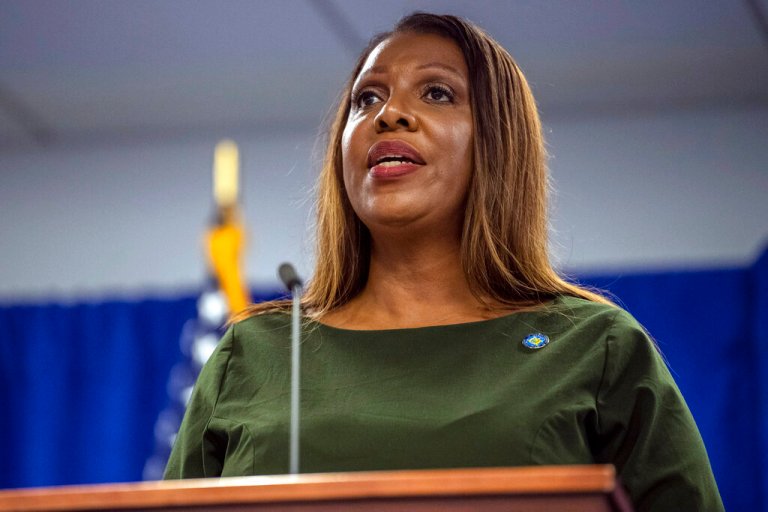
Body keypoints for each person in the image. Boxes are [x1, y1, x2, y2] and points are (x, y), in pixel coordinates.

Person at [164, 12, 724, 511]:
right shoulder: (253, 354)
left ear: (497, 143)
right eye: (367, 98)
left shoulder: (595, 348)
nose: (389, 115)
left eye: (436, 93)